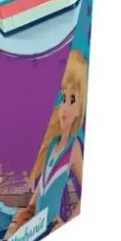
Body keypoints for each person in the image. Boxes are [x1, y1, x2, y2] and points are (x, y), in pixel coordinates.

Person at [18, 49, 87, 230]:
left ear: (79, 109)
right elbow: (43, 182)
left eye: (72, 99)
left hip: (52, 226)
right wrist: (29, 208)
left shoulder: (73, 147)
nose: (64, 109)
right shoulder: (53, 144)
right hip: (38, 227)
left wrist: (69, 221)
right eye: (63, 98)